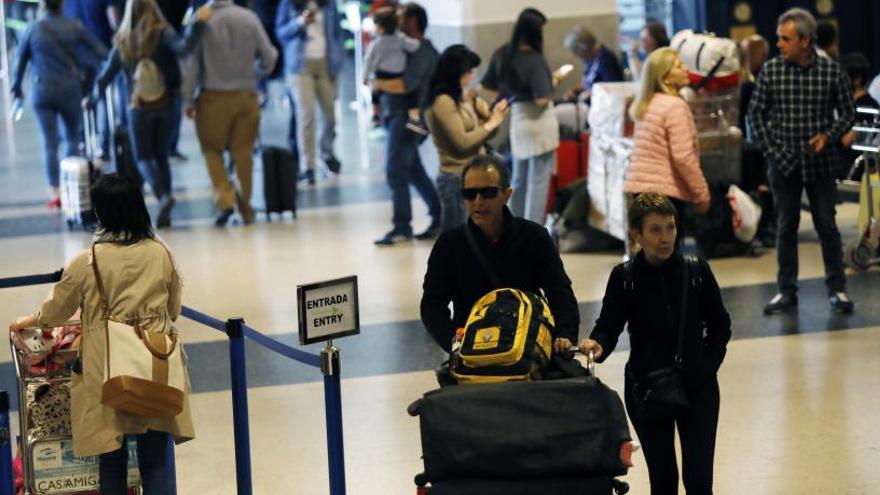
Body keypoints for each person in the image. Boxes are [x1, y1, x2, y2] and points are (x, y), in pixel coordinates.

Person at [8, 174, 195, 495]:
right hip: (156, 363)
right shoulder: (160, 253)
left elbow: (55, 312)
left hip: (106, 368)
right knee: (155, 460)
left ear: (102, 213)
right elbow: (174, 308)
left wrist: (30, 319)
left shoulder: (88, 261)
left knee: (111, 461)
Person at [578, 192, 731, 495]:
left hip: (697, 389)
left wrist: (705, 367)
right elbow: (609, 325)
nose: (665, 238)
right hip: (646, 388)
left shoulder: (697, 271)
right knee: (663, 482)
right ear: (637, 234)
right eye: (655, 229)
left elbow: (720, 326)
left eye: (670, 227)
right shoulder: (625, 277)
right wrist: (597, 344)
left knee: (699, 481)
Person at [748, 8, 856, 314]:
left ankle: (837, 289)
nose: (779, 44)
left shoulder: (831, 71)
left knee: (827, 226)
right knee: (785, 227)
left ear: (806, 41)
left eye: (786, 38)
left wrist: (829, 135)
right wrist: (772, 150)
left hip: (820, 164)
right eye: (778, 38)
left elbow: (848, 113)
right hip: (782, 164)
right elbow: (754, 114)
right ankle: (786, 291)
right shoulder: (771, 71)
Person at [420, 154, 580, 355]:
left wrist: (564, 336)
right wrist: (454, 341)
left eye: (487, 192)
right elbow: (432, 306)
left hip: (526, 345)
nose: (478, 201)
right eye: (470, 194)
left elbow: (560, 292)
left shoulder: (533, 236)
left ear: (507, 194)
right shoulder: (449, 245)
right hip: (472, 348)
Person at [90, 0, 210, 229]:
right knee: (161, 154)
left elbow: (104, 78)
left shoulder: (123, 40)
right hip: (165, 102)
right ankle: (167, 202)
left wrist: (92, 98)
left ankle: (163, 196)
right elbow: (185, 48)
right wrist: (198, 25)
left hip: (137, 107)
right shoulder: (163, 33)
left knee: (143, 157)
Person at [182, 0, 278, 227]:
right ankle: (246, 209)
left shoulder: (202, 20)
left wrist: (187, 98)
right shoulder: (249, 17)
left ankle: (225, 201)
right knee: (243, 153)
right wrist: (256, 74)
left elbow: (192, 65)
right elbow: (270, 56)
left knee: (212, 150)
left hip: (213, 97)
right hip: (247, 95)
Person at [10, 0, 107, 208]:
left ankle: (54, 190)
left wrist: (16, 89)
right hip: (69, 88)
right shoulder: (74, 26)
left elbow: (20, 60)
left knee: (49, 142)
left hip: (41, 89)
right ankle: (70, 183)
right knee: (72, 137)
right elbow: (99, 51)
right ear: (62, 5)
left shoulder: (33, 28)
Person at [480, 8, 562, 224]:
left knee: (518, 178)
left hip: (518, 121)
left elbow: (487, 87)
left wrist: (513, 93)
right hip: (540, 123)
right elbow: (542, 99)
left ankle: (512, 227)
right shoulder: (534, 60)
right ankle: (532, 231)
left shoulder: (502, 54)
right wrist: (552, 81)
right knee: (538, 182)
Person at [371, 2, 442, 245]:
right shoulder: (403, 47)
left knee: (395, 171)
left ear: (412, 22)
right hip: (397, 116)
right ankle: (439, 216)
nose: (396, 20)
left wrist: (377, 85)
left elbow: (405, 85)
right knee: (414, 171)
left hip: (408, 119)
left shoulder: (423, 51)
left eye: (401, 17)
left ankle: (402, 227)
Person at [626, 47, 710, 247]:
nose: (685, 69)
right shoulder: (674, 106)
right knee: (667, 252)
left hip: (640, 187)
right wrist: (702, 193)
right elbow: (683, 157)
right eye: (679, 66)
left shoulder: (646, 104)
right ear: (665, 76)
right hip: (665, 191)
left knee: (649, 251)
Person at [425, 44, 509, 232]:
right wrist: (490, 124)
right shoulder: (442, 101)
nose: (472, 76)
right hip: (454, 177)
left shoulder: (463, 97)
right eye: (468, 72)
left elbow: (483, 137)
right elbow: (462, 142)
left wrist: (493, 118)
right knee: (456, 242)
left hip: (472, 174)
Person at [276, 0, 346, 184]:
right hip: (300, 66)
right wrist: (299, 22)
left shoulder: (329, 5)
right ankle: (307, 166)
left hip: (326, 63)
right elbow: (280, 33)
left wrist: (338, 59)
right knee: (306, 116)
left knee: (330, 115)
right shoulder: (289, 4)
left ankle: (326, 153)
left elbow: (338, 34)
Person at [364, 6, 424, 133]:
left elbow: (368, 60)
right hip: (398, 74)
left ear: (380, 27)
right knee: (411, 95)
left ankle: (375, 114)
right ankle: (414, 119)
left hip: (381, 74)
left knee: (375, 92)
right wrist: (418, 42)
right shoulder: (400, 38)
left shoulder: (376, 43)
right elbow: (414, 46)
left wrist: (365, 77)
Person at [839, 52, 878, 180]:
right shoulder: (846, 103)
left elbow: (847, 140)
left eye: (844, 78)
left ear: (857, 79)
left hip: (855, 172)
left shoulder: (868, 106)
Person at [562, 25, 623, 101]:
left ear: (584, 48)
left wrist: (590, 93)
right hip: (589, 103)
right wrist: (575, 91)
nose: (575, 56)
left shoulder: (607, 60)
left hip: (603, 105)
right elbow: (588, 83)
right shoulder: (590, 58)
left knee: (553, 113)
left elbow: (613, 88)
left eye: (576, 52)